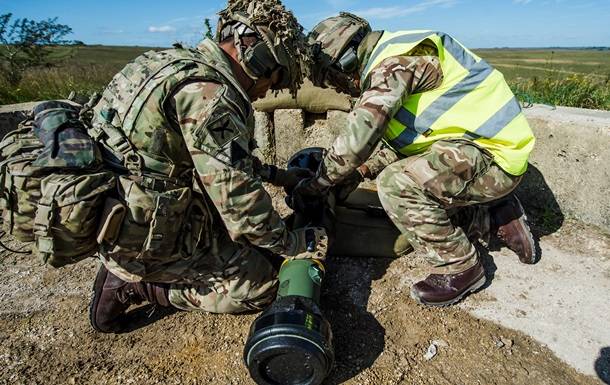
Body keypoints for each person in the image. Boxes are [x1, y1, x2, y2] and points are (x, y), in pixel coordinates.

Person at [88, 0, 325, 333]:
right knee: (262, 283)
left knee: (247, 243)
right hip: (139, 232)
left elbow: (225, 161)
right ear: (256, 59)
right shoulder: (213, 96)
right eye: (273, 78)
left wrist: (280, 176)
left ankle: (134, 265)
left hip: (119, 209)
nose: (267, 90)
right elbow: (241, 207)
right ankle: (137, 284)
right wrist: (292, 246)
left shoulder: (169, 63)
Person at [295, 13, 537, 307]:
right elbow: (409, 144)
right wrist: (360, 172)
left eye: (331, 78)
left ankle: (461, 267)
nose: (337, 88)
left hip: (494, 158)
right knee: (415, 201)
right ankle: (494, 216)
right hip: (477, 153)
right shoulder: (395, 57)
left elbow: (358, 137)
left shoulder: (394, 65)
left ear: (343, 63)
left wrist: (318, 184)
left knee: (397, 186)